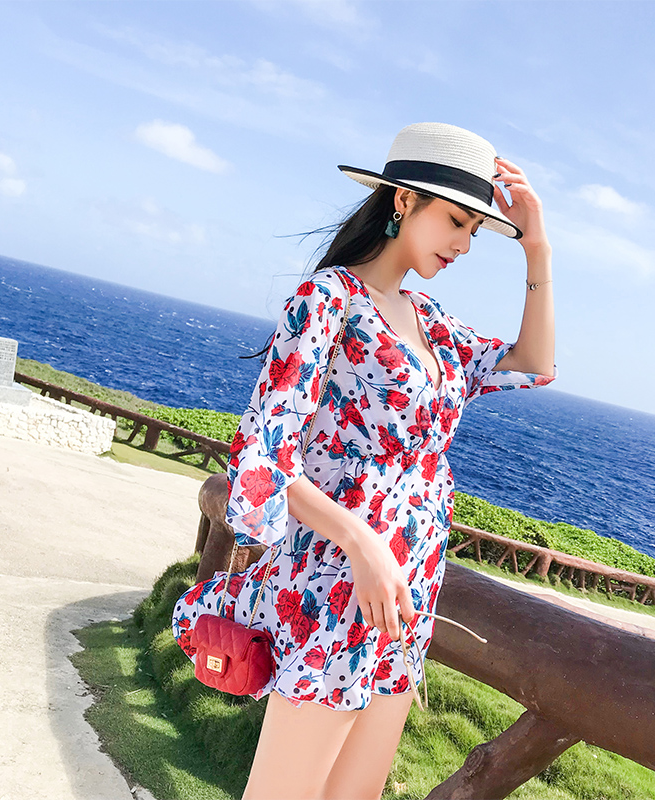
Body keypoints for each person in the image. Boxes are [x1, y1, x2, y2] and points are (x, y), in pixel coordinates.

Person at [172, 121, 556, 800]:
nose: (464, 245)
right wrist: (361, 543)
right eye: (456, 222)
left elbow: (535, 363)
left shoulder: (433, 322)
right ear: (404, 200)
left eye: (475, 231)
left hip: (407, 591)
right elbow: (265, 451)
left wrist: (537, 248)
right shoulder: (329, 301)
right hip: (332, 584)